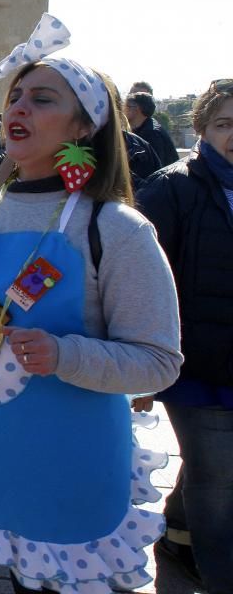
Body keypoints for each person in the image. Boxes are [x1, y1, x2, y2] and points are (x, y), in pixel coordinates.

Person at [0, 14, 183, 594]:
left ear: (85, 124)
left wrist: (63, 354)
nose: (19, 108)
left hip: (63, 462)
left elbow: (159, 359)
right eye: (16, 96)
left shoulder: (117, 229)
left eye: (42, 98)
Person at [135, 79, 233, 593]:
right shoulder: (173, 187)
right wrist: (142, 365)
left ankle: (175, 531)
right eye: (224, 123)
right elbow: (140, 280)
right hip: (199, 367)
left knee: (212, 470)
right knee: (218, 485)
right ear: (201, 130)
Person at [125, 91, 178, 170]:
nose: (123, 110)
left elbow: (156, 170)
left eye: (127, 106)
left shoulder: (152, 134)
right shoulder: (145, 128)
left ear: (136, 109)